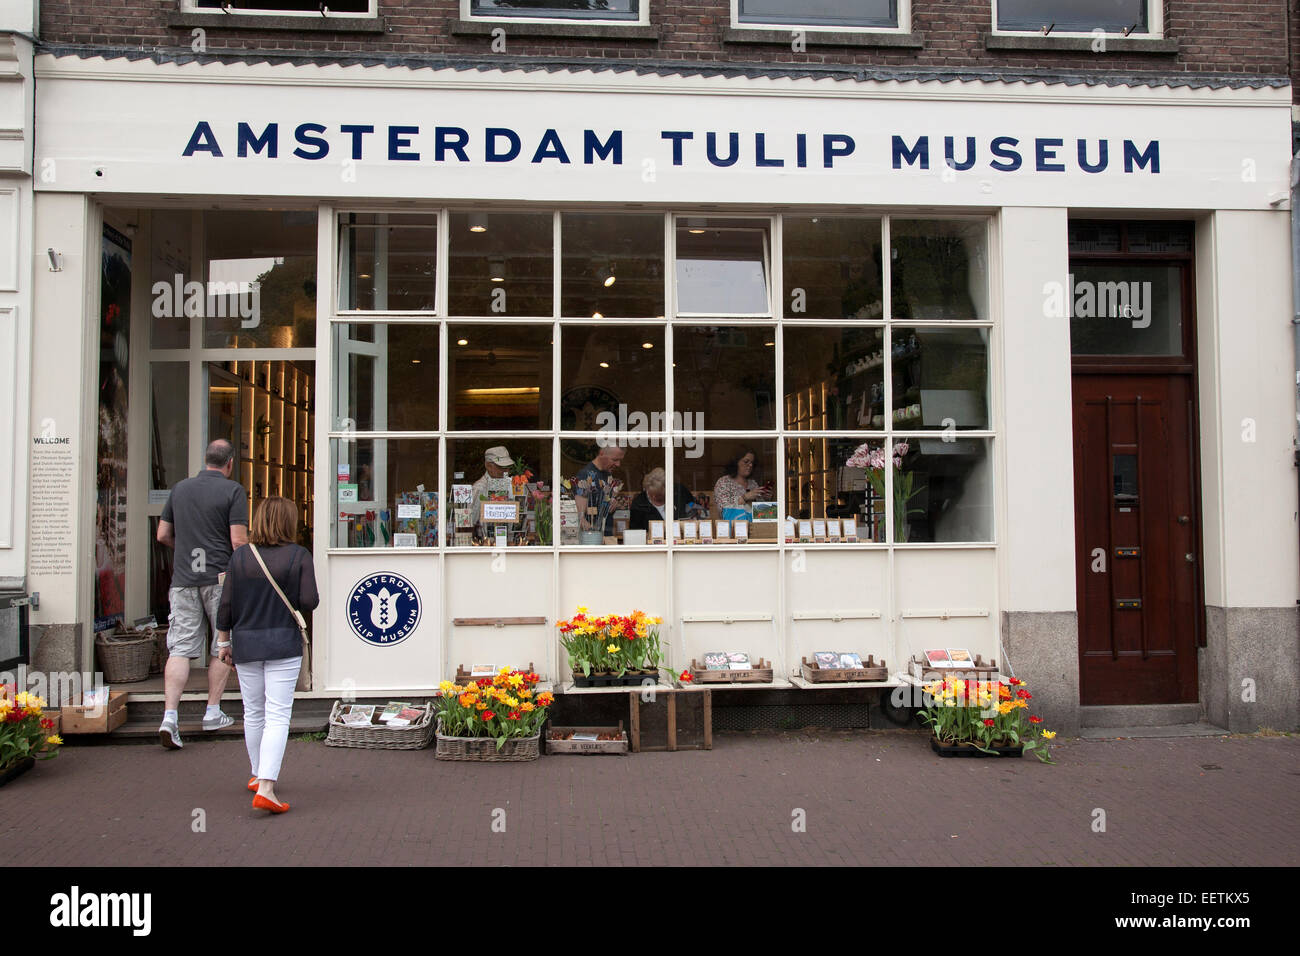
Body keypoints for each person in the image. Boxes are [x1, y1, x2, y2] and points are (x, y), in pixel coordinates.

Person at [216, 496, 319, 814]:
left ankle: (257, 773)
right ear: (289, 522)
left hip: (245, 645)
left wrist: (223, 643)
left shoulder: (241, 557)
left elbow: (226, 605)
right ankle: (266, 787)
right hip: (282, 645)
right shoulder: (299, 555)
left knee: (253, 713)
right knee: (277, 715)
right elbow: (309, 600)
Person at [155, 439, 248, 749]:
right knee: (222, 642)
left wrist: (182, 550)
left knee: (180, 648)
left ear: (206, 459)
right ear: (230, 463)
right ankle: (212, 710)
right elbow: (237, 541)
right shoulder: (233, 491)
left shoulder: (179, 489)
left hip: (183, 578)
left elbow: (162, 535)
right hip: (219, 577)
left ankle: (170, 716)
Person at [629, 467, 702, 532]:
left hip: (681, 542)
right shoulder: (638, 504)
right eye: (651, 494)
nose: (654, 497)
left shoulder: (680, 492)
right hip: (653, 545)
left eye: (658, 495)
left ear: (668, 488)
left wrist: (693, 516)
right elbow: (635, 532)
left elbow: (694, 507)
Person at [574, 443, 625, 535]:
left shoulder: (608, 474)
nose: (618, 464)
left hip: (606, 535)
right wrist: (591, 533)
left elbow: (604, 502)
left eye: (620, 460)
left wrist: (614, 503)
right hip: (593, 539)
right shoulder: (585, 475)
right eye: (615, 460)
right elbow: (580, 516)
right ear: (601, 453)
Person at [712, 448, 771, 521]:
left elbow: (762, 514)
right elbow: (723, 511)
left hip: (755, 529)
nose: (750, 465)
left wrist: (766, 499)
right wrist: (744, 498)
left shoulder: (753, 484)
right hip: (733, 529)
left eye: (752, 462)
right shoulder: (724, 482)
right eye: (746, 462)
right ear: (736, 462)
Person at [470, 445, 513, 538]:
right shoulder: (480, 488)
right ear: (488, 466)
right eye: (501, 467)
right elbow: (469, 522)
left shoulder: (507, 484)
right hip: (486, 545)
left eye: (508, 467)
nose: (506, 471)